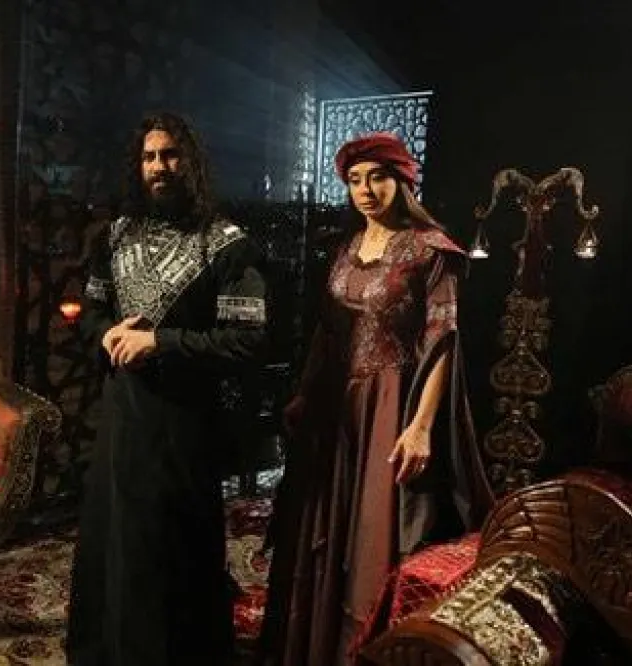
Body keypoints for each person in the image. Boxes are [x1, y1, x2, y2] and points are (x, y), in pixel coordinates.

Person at [256, 132, 494, 665]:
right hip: (333, 408)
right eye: (355, 181)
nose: (365, 190)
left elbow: (442, 342)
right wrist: (304, 394)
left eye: (377, 178)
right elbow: (327, 332)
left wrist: (421, 426)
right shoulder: (345, 249)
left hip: (391, 404)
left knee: (371, 536)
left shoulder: (431, 250)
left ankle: (362, 652)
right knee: (321, 527)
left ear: (402, 181)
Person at [64, 111, 270, 666]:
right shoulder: (115, 236)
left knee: (169, 548)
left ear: (191, 162)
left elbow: (247, 340)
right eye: (149, 156)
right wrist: (106, 332)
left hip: (183, 424)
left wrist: (161, 342)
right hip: (123, 417)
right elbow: (91, 310)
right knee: (115, 539)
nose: (159, 166)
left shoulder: (226, 245)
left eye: (171, 155)